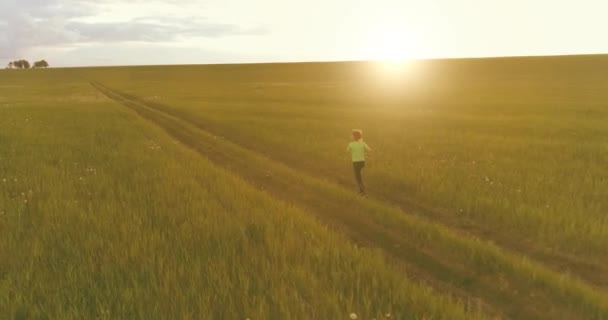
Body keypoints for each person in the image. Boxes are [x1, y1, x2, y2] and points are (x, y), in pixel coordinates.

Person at [346, 129, 371, 195]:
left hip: (356, 162)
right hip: (362, 162)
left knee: (358, 176)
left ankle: (362, 190)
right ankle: (361, 189)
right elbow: (369, 150)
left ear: (354, 137)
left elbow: (347, 151)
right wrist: (364, 153)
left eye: (352, 135)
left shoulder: (351, 144)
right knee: (359, 175)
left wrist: (352, 151)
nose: (351, 136)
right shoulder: (363, 143)